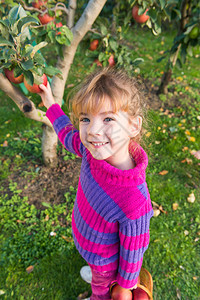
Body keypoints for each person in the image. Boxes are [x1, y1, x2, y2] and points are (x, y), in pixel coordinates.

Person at [39, 67, 154, 300]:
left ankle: (97, 292)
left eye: (108, 118)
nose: (92, 130)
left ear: (134, 126)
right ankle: (94, 273)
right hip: (89, 246)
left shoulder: (134, 200)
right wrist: (51, 103)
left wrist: (124, 286)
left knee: (101, 291)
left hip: (105, 262)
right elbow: (66, 134)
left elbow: (134, 251)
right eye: (85, 119)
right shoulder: (91, 151)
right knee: (95, 272)